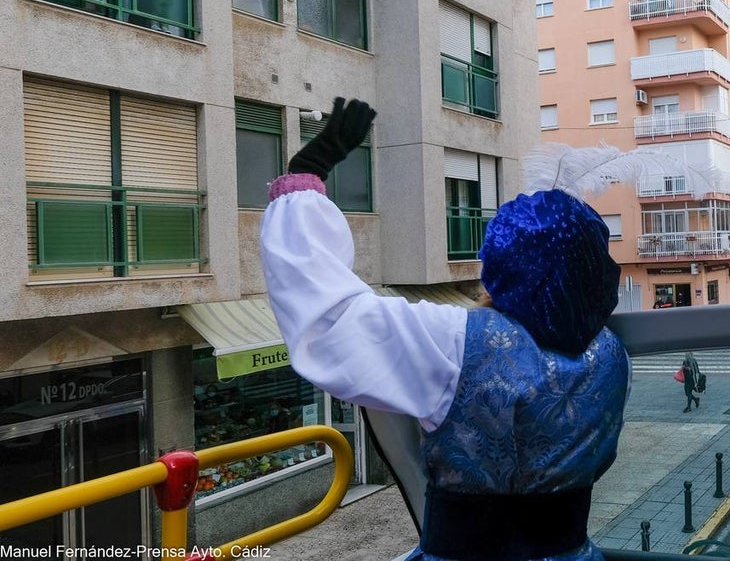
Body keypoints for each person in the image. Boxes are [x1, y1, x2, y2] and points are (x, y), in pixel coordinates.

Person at [259, 101, 638, 561]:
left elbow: (332, 319)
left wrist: (307, 174)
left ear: (502, 263)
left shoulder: (458, 340)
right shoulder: (613, 353)